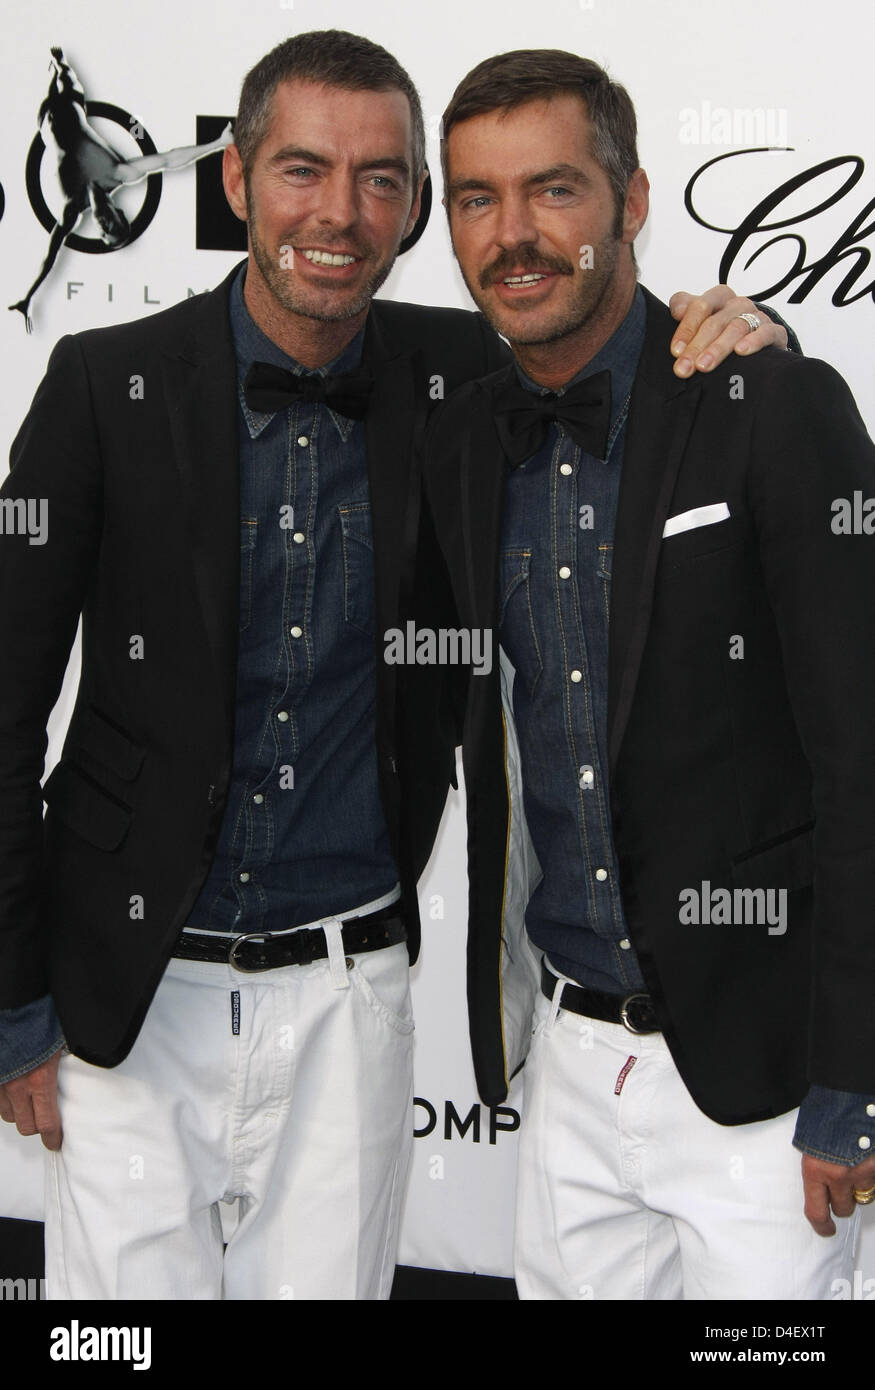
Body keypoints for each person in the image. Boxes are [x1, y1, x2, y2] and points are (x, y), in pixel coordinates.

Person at [0, 29, 790, 1301]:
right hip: (128, 1003)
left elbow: (628, 350)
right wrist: (14, 1004)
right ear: (237, 183)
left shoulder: (470, 374)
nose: (340, 210)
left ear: (416, 206)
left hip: (352, 994)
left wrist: (755, 328)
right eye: (303, 168)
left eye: (381, 179)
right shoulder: (104, 386)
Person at [423, 48, 875, 1300]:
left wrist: (857, 1072)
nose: (511, 235)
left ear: (629, 202)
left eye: (552, 191)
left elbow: (860, 760)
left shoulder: (772, 409)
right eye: (474, 199)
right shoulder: (458, 435)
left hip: (762, 1079)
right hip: (563, 1065)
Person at [9, 47, 234, 333]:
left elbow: (50, 257)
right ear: (119, 212)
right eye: (113, 224)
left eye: (103, 230)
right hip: (71, 99)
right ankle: (59, 62)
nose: (104, 223)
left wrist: (29, 296)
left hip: (44, 118)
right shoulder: (119, 173)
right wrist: (217, 143)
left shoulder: (71, 209)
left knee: (54, 83)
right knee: (62, 70)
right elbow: (168, 159)